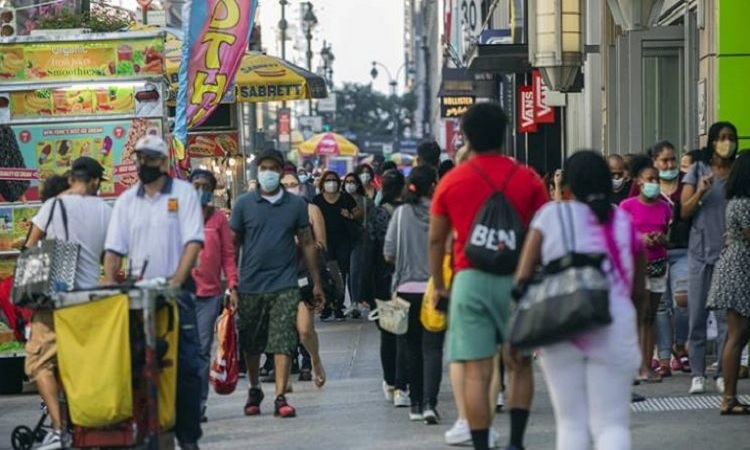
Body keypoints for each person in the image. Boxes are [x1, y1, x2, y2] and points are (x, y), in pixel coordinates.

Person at [429, 103, 548, 450]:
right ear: (505, 134)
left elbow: (437, 238)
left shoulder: (452, 180)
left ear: (465, 136)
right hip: (518, 280)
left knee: (477, 372)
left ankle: (481, 444)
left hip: (470, 279)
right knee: (520, 364)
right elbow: (544, 231)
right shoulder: (528, 179)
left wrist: (439, 283)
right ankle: (517, 442)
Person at [515, 150, 644, 450]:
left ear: (567, 187)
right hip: (615, 322)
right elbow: (638, 292)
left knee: (571, 422)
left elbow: (522, 278)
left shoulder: (549, 215)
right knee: (611, 424)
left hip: (560, 321)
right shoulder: (624, 221)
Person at [103, 137, 204, 450]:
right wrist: (109, 280)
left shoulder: (184, 194)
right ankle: (143, 432)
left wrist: (176, 280)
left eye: (149, 159)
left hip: (177, 294)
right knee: (136, 365)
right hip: (138, 297)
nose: (142, 165)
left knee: (186, 367)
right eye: (139, 159)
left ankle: (187, 437)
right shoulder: (126, 201)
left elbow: (193, 243)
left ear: (162, 162)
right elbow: (113, 249)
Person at [230, 149, 325, 418]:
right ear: (257, 171)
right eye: (264, 168)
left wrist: (316, 282)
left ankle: (280, 396)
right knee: (251, 343)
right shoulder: (243, 205)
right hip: (250, 284)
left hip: (285, 283)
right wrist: (232, 283)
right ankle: (254, 387)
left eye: (273, 168)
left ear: (281, 172)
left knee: (283, 340)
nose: (268, 173)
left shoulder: (295, 206)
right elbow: (233, 244)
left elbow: (307, 244)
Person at [24, 157, 111, 450]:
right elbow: (109, 259)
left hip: (54, 301)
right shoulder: (104, 210)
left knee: (40, 363)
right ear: (96, 181)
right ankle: (88, 420)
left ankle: (60, 429)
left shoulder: (53, 206)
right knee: (85, 364)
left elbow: (30, 245)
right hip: (88, 302)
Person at [681, 121, 737, 395]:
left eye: (731, 138)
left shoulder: (738, 173)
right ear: (712, 141)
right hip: (700, 251)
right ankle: (697, 373)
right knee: (697, 316)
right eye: (722, 138)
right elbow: (684, 211)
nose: (727, 143)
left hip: (728, 253)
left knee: (726, 318)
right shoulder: (698, 170)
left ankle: (723, 373)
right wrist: (701, 191)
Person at [384, 166, 439, 422]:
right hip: (435, 289)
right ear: (432, 186)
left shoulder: (400, 213)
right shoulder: (440, 212)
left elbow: (388, 253)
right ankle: (430, 404)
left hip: (404, 289)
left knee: (410, 348)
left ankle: (415, 404)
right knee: (433, 349)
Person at [188, 169, 239, 422]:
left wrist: (232, 285)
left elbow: (229, 256)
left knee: (201, 350)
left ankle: (198, 405)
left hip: (208, 296)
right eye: (195, 184)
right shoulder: (179, 216)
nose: (200, 190)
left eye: (204, 185)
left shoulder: (218, 219)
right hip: (181, 294)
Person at [707, 150, 750, 414]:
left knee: (740, 335)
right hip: (739, 272)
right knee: (737, 335)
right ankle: (728, 398)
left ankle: (731, 397)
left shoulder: (737, 201)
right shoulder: (744, 203)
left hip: (738, 270)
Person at [620, 164, 672, 383]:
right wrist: (639, 239)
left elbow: (668, 236)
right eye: (649, 179)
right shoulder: (626, 206)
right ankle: (630, 367)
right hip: (635, 265)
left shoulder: (665, 207)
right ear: (639, 182)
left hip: (658, 263)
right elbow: (620, 236)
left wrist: (660, 239)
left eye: (656, 179)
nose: (654, 183)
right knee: (634, 315)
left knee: (650, 315)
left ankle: (646, 366)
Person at [280, 170, 327, 387]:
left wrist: (304, 244)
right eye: (285, 184)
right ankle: (285, 374)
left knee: (305, 329)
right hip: (278, 276)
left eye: (293, 184)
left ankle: (315, 359)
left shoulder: (310, 209)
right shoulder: (273, 212)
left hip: (302, 275)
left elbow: (320, 244)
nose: (290, 187)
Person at [649, 141, 691, 376]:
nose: (670, 164)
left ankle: (681, 345)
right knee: (661, 305)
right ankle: (664, 357)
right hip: (655, 254)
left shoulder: (686, 183)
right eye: (664, 160)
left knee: (682, 300)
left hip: (682, 250)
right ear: (655, 162)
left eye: (672, 159)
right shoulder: (648, 185)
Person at [371, 169, 408, 405]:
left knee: (390, 334)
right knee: (407, 336)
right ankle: (402, 384)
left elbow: (372, 251)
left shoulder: (379, 214)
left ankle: (391, 382)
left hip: (385, 281)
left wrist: (367, 288)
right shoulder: (411, 211)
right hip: (410, 279)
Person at [313, 171, 360, 320]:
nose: (331, 183)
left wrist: (350, 215)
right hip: (324, 242)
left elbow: (358, 211)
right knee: (326, 273)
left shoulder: (345, 198)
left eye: (334, 180)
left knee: (341, 273)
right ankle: (327, 304)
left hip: (343, 241)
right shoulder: (317, 200)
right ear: (322, 183)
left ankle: (339, 305)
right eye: (328, 180)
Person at [343, 172, 375, 318]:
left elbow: (373, 221)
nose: (350, 184)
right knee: (346, 272)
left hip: (360, 238)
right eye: (347, 181)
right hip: (343, 239)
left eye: (352, 181)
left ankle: (355, 301)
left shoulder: (366, 202)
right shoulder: (340, 200)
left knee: (355, 270)